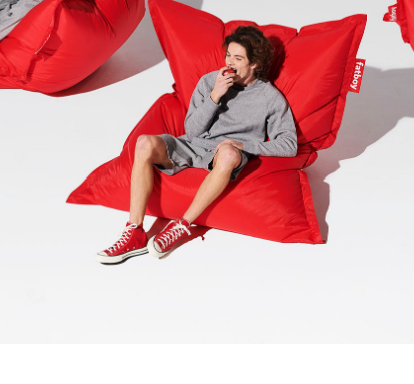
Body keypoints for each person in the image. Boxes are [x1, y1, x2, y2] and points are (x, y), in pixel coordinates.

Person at [97, 25, 298, 264]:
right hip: (193, 145)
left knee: (228, 154)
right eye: (228, 55)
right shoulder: (210, 81)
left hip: (226, 154)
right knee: (143, 143)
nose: (229, 62)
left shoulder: (269, 97)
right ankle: (135, 232)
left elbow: (289, 145)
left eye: (238, 58)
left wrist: (244, 145)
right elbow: (192, 130)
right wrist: (215, 95)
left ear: (254, 63)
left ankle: (181, 226)